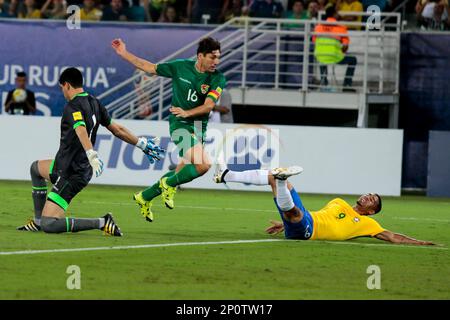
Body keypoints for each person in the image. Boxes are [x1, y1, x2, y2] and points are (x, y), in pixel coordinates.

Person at [17, 68, 164, 234]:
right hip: (63, 165)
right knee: (35, 169)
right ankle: (36, 222)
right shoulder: (95, 102)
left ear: (66, 85)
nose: (63, 91)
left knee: (49, 224)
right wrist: (142, 144)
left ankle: (102, 222)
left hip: (72, 173)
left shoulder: (72, 107)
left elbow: (80, 129)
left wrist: (90, 153)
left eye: (61, 88)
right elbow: (117, 130)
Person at [112, 37, 226, 222]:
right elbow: (148, 67)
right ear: (200, 56)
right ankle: (168, 184)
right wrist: (124, 53)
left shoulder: (218, 78)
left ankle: (145, 197)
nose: (216, 61)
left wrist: (188, 112)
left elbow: (208, 106)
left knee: (182, 171)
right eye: (212, 57)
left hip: (198, 126)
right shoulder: (180, 67)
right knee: (204, 165)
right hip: (179, 123)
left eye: (218, 57)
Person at [213, 166, 435, 245]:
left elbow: (393, 236)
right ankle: (226, 175)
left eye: (373, 200)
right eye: (368, 194)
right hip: (306, 220)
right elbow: (320, 215)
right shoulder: (338, 201)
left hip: (309, 232)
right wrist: (284, 225)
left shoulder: (367, 223)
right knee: (277, 179)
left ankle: (286, 202)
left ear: (371, 211)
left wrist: (420, 242)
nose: (368, 196)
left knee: (292, 210)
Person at [313, 5, 357, 92]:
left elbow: (314, 41)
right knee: (353, 60)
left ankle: (324, 84)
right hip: (335, 57)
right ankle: (347, 85)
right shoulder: (341, 28)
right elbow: (345, 46)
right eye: (337, 13)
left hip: (320, 56)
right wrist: (341, 51)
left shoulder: (318, 27)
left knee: (323, 58)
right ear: (334, 14)